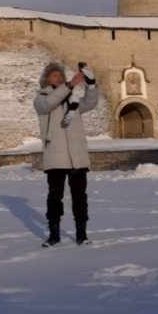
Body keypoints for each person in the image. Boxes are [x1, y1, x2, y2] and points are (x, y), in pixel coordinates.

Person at [33, 62, 98, 247]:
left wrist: (91, 84)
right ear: (46, 79)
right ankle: (54, 234)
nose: (59, 78)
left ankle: (81, 234)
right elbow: (49, 104)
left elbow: (90, 103)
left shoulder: (72, 99)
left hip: (77, 156)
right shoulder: (41, 98)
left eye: (61, 75)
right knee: (55, 197)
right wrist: (69, 85)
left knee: (80, 197)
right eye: (55, 75)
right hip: (56, 156)